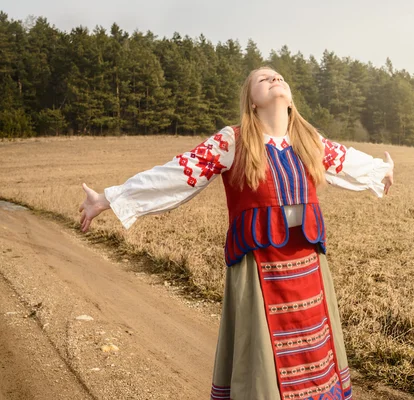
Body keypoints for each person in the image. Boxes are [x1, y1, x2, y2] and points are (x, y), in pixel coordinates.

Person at [79, 67, 394, 400]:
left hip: (310, 274)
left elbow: (350, 163)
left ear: (290, 99)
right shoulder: (233, 141)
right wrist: (109, 198)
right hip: (260, 274)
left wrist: (382, 170)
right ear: (252, 101)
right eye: (263, 79)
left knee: (316, 354)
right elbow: (176, 174)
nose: (275, 79)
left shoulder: (309, 141)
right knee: (263, 360)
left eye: (279, 77)